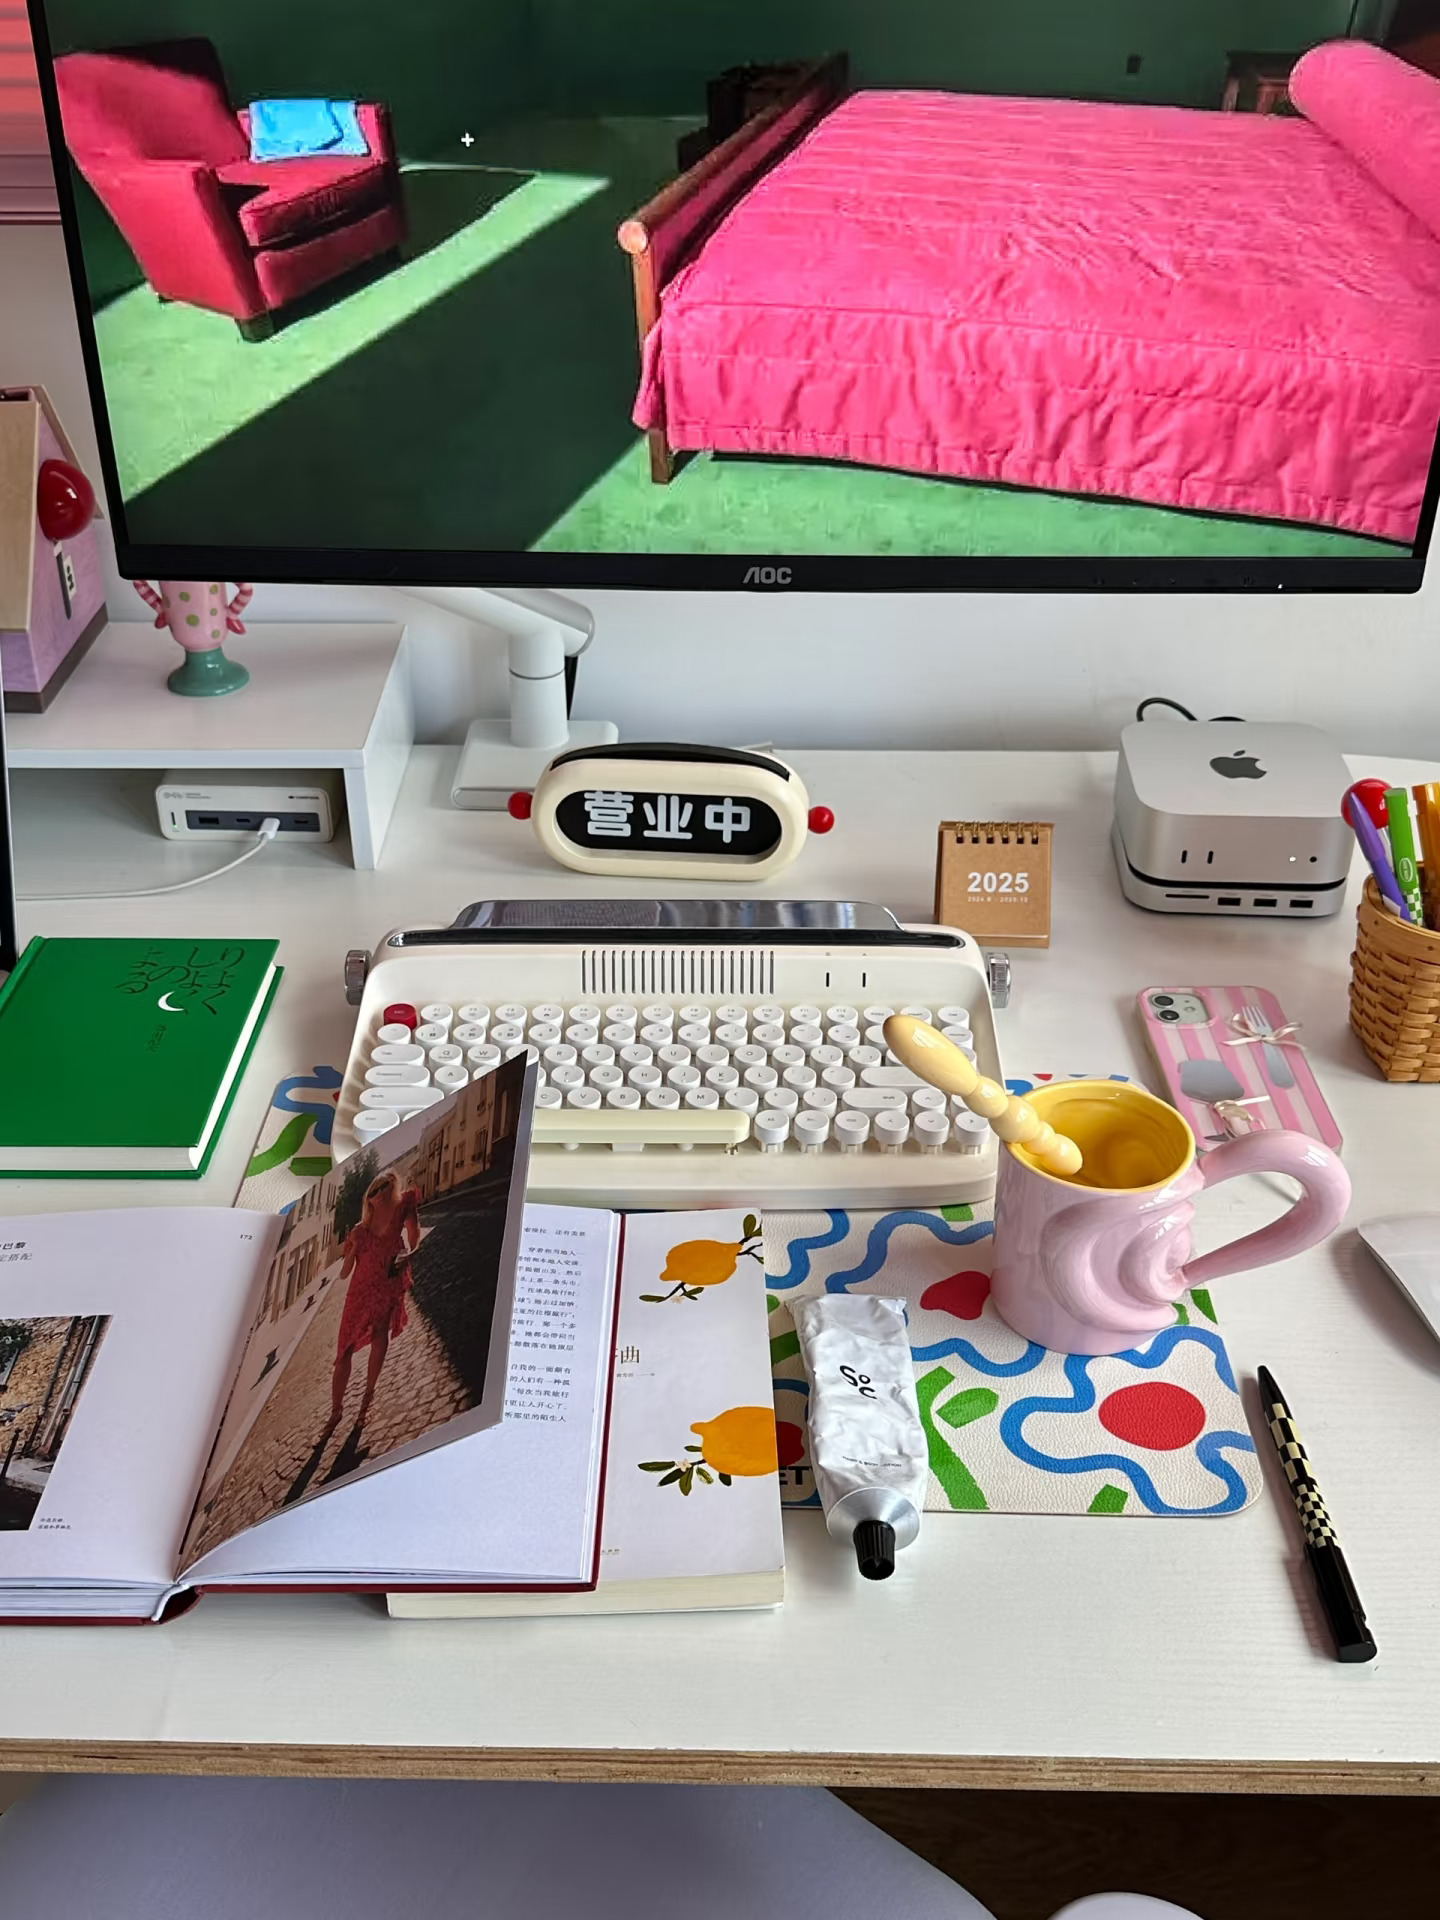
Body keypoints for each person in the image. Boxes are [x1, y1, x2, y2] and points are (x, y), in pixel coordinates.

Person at [323, 1169, 421, 1443]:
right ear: (369, 1198)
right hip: (359, 1295)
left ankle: (368, 1397)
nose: (380, 1193)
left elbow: (414, 1236)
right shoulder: (359, 1231)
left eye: (385, 1187)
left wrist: (409, 1252)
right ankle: (336, 1411)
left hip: (387, 1285)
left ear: (392, 1188)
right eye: (375, 1190)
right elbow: (344, 1274)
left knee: (380, 1337)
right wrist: (352, 1251)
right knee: (344, 1352)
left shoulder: (404, 1207)